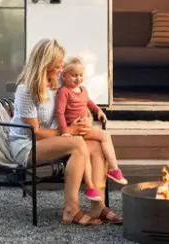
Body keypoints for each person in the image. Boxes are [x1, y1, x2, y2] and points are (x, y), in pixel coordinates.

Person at [8, 40, 122, 225]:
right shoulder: (26, 89)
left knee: (96, 146)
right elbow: (34, 133)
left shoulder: (55, 84)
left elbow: (75, 103)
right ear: (45, 64)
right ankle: (71, 210)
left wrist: (85, 119)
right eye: (57, 66)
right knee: (77, 144)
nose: (61, 69)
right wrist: (70, 130)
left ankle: (97, 206)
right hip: (26, 146)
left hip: (55, 138)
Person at [54, 57, 127, 202]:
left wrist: (98, 111)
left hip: (84, 128)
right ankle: (90, 186)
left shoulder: (83, 90)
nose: (78, 78)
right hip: (74, 130)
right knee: (86, 151)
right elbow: (59, 113)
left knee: (105, 136)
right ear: (64, 76)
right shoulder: (64, 92)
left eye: (80, 75)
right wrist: (65, 131)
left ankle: (113, 168)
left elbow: (89, 102)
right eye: (74, 75)